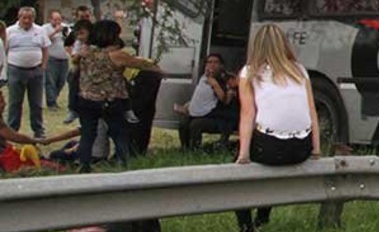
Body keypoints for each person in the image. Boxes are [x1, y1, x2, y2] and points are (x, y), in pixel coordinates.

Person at [232, 24, 321, 232]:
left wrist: (243, 155)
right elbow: (312, 111)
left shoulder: (249, 72)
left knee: (235, 179)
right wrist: (316, 149)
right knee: (270, 167)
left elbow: (247, 114)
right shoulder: (299, 70)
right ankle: (263, 219)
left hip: (271, 148)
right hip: (302, 147)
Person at [77, 20, 159, 172]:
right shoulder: (117, 55)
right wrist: (156, 67)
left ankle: (84, 165)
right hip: (109, 100)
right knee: (119, 133)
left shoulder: (86, 53)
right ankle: (124, 163)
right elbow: (139, 64)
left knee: (88, 134)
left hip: (86, 99)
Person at [175, 53, 236, 149]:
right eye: (209, 62)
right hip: (202, 113)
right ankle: (185, 149)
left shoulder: (225, 79)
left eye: (216, 62)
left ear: (221, 65)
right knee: (183, 123)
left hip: (219, 116)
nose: (212, 65)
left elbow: (225, 100)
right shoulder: (204, 78)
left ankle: (195, 150)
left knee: (196, 125)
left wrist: (215, 85)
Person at [7, 6, 50, 138]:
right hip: (15, 70)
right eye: (24, 18)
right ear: (19, 18)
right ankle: (12, 130)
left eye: (30, 18)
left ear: (34, 18)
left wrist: (43, 66)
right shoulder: (10, 31)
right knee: (15, 103)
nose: (27, 21)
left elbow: (45, 49)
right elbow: (4, 50)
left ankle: (38, 130)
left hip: (35, 71)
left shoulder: (40, 30)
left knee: (36, 103)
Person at [42, 10, 70, 112]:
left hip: (64, 59)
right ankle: (51, 103)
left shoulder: (65, 27)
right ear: (50, 19)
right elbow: (43, 41)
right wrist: (55, 32)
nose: (58, 21)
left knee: (61, 81)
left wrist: (66, 35)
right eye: (55, 19)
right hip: (51, 59)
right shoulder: (45, 28)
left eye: (59, 19)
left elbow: (70, 41)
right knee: (50, 82)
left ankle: (54, 98)